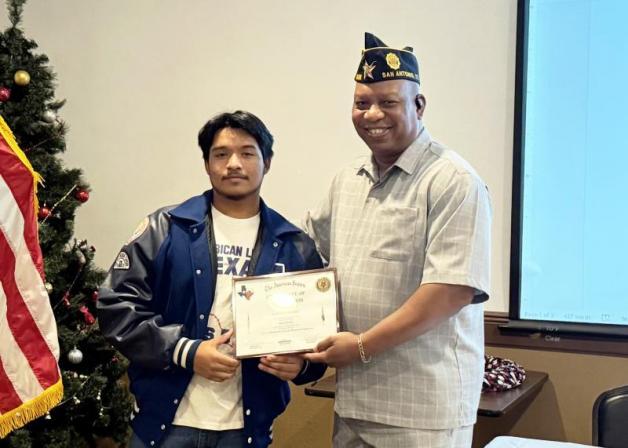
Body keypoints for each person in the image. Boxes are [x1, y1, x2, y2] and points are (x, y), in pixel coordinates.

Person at [303, 32, 491, 448]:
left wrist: (361, 347)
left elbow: (450, 291)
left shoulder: (453, 180)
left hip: (422, 410)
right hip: (355, 400)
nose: (372, 114)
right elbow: (305, 254)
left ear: (418, 105)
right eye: (361, 103)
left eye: (388, 102)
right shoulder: (347, 180)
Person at [97, 110, 326, 448]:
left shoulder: (295, 245)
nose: (234, 164)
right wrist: (185, 351)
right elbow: (116, 306)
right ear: (206, 163)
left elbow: (318, 341)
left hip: (246, 430)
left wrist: (301, 366)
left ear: (267, 162)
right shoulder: (165, 228)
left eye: (247, 153)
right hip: (165, 425)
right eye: (221, 154)